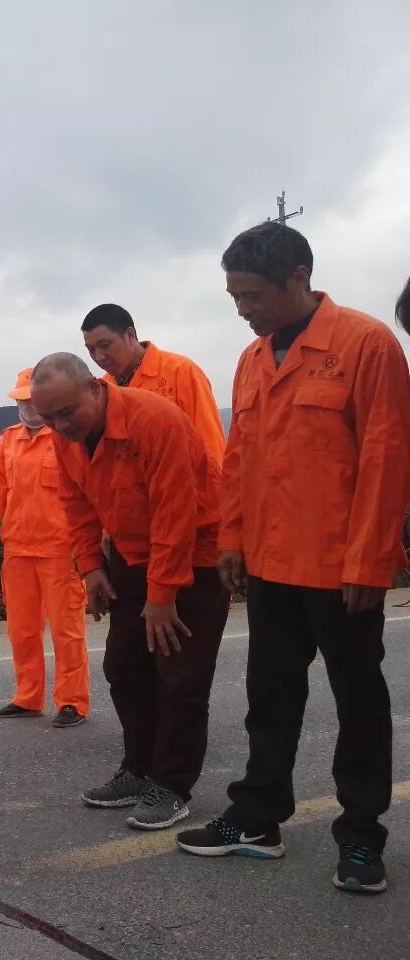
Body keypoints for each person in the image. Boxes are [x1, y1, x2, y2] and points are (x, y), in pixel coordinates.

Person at [176, 222, 410, 895]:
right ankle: (258, 818)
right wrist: (232, 539)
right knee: (270, 697)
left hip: (342, 571)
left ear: (298, 278)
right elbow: (240, 459)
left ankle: (361, 837)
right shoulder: (252, 360)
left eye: (251, 295)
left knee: (359, 703)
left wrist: (370, 562)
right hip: (271, 566)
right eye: (234, 297)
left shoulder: (366, 344)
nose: (242, 309)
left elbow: (387, 458)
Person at [30, 353, 229, 831]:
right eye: (49, 418)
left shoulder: (154, 420)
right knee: (123, 666)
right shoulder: (65, 437)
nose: (60, 426)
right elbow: (76, 503)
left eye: (67, 412)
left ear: (94, 389)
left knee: (179, 676)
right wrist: (91, 567)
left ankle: (172, 785)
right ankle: (138, 769)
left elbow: (176, 511)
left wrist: (162, 596)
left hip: (195, 556)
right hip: (131, 555)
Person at [0, 368, 89, 728]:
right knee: (22, 631)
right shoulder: (8, 441)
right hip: (18, 550)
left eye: (31, 400)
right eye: (21, 400)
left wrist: (87, 543)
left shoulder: (68, 438)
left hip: (60, 551)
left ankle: (72, 701)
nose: (26, 406)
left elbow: (88, 492)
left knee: (67, 632)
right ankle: (28, 696)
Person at [81, 303, 225, 471]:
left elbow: (210, 442)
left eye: (105, 346)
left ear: (130, 335)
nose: (99, 357)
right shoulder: (102, 390)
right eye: (91, 350)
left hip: (181, 481)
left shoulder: (181, 371)